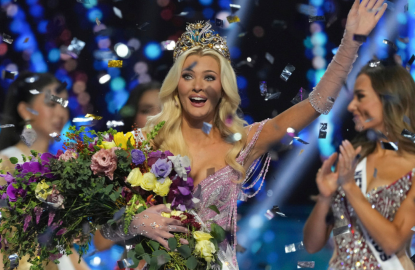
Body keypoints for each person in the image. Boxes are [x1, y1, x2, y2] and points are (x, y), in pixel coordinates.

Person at [98, 0, 388, 268]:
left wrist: (351, 42)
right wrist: (134, 224)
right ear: (177, 86)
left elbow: (317, 103)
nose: (198, 85)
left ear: (222, 88)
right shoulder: (143, 145)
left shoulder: (242, 141)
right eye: (188, 76)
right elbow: (104, 229)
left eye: (209, 77)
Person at [303, 62, 415, 269]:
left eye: (360, 96)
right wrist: (325, 197)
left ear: (389, 99)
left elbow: (392, 243)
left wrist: (349, 187)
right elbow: (311, 245)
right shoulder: (353, 159)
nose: (351, 106)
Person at [0, 72, 90, 270]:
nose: (60, 113)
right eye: (52, 104)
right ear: (26, 110)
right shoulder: (7, 161)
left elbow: (65, 244)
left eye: (64, 105)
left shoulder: (60, 167)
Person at [93, 82, 161, 263]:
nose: (155, 117)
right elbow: (101, 242)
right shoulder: (116, 171)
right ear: (134, 119)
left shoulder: (193, 162)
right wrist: (135, 221)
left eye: (164, 110)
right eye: (147, 110)